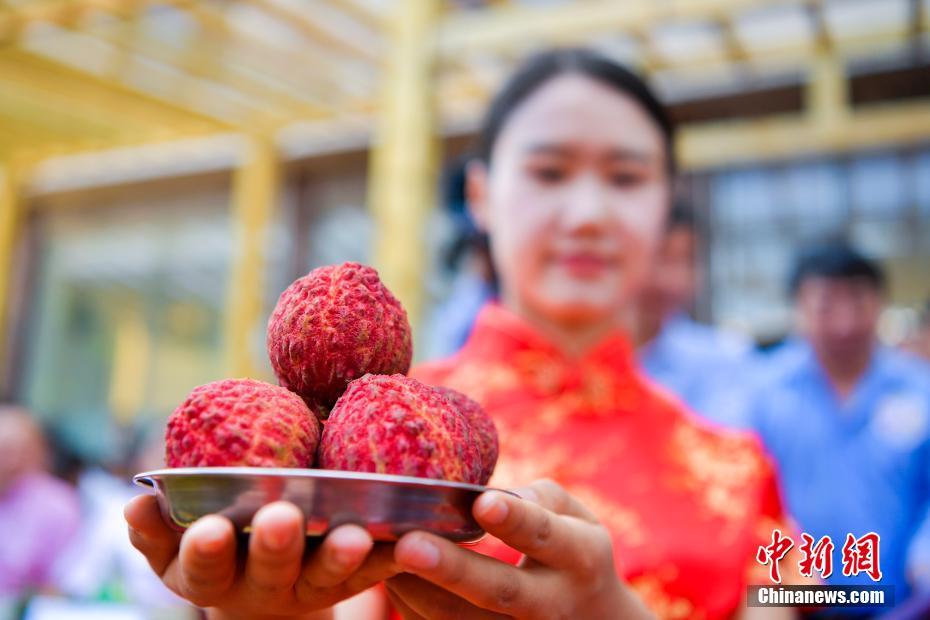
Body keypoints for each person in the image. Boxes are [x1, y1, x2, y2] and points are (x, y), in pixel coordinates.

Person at [126, 48, 800, 619]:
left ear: (666, 205)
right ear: (480, 196)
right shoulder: (358, 447)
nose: (589, 212)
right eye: (549, 172)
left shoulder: (740, 466)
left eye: (626, 177)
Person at [748, 242, 930, 613]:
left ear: (880, 303)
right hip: (793, 601)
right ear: (798, 307)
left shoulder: (918, 388)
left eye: (858, 302)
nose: (844, 324)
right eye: (826, 305)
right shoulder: (762, 393)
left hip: (900, 601)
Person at [635, 203, 757, 427]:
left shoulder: (722, 360)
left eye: (689, 261)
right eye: (662, 258)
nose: (676, 279)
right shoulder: (580, 359)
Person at [0, 406, 81, 600]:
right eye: (4, 450)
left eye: (20, 450)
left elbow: (62, 583)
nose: (11, 461)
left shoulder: (57, 505)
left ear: (40, 453)